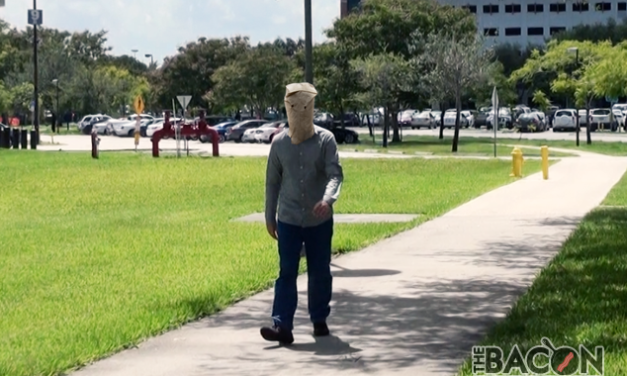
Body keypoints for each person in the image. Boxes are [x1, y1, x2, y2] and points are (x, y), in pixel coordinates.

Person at [261, 82, 343, 345]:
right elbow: (272, 181)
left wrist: (328, 200)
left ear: (311, 108)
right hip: (288, 219)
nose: (299, 110)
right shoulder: (279, 143)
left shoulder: (325, 140)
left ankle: (319, 319)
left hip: (319, 220)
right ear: (287, 108)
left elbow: (334, 174)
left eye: (304, 105)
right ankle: (282, 325)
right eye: (294, 105)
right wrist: (269, 216)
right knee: (287, 271)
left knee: (319, 271)